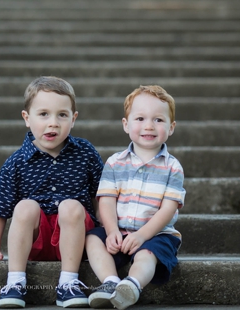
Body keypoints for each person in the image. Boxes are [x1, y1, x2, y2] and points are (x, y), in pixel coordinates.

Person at [0, 76, 103, 308]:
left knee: (71, 206)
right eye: (43, 114)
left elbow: (101, 195)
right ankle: (15, 282)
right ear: (27, 118)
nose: (53, 123)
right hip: (37, 241)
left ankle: (68, 283)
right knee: (25, 206)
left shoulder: (85, 153)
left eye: (62, 115)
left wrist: (108, 232)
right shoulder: (16, 162)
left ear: (73, 119)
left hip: (77, 238)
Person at [85, 85, 186, 309]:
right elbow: (106, 200)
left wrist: (141, 236)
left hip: (156, 234)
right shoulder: (115, 162)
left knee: (147, 254)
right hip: (119, 232)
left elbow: (168, 209)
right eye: (140, 118)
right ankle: (110, 281)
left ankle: (132, 285)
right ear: (126, 124)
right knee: (92, 239)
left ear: (171, 127)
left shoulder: (173, 167)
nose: (149, 126)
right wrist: (111, 230)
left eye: (158, 120)